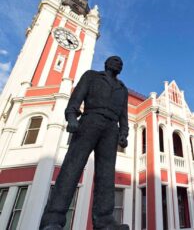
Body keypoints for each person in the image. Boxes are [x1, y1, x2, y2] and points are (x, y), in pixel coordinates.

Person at [40, 56, 129, 230]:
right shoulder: (91, 76)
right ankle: (53, 220)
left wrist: (124, 133)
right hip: (90, 120)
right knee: (72, 168)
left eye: (121, 62)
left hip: (111, 128)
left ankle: (104, 221)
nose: (119, 63)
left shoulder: (122, 89)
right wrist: (72, 117)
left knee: (106, 175)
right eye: (115, 61)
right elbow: (76, 98)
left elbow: (123, 115)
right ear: (107, 64)